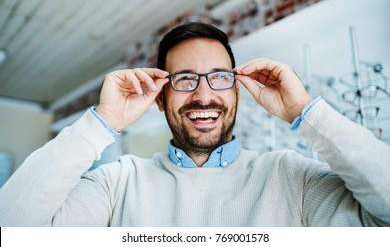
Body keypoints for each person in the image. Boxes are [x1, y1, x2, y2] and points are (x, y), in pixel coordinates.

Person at [0, 22, 389, 227]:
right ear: (160, 98)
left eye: (220, 77)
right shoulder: (116, 184)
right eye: (184, 80)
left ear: (237, 92)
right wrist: (102, 123)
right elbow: (12, 228)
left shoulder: (293, 178)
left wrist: (305, 111)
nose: (204, 96)